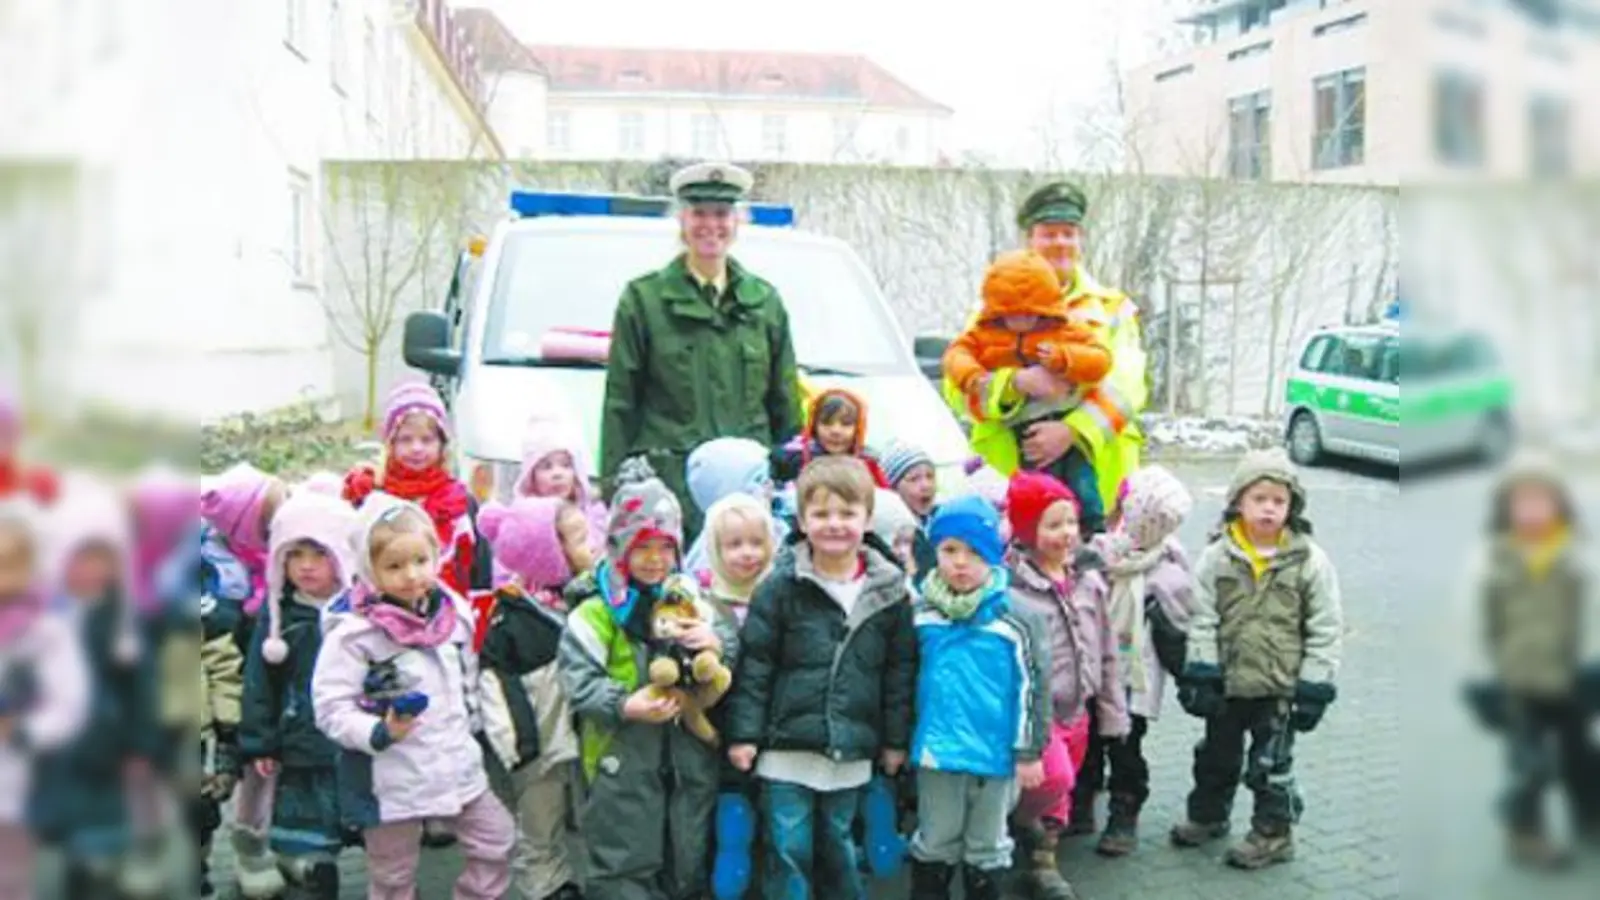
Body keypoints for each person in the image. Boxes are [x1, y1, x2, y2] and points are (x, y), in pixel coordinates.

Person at [724, 456, 918, 900]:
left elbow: (898, 674)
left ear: (867, 519)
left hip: (850, 746)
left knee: (837, 843)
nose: (835, 524)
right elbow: (756, 666)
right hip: (784, 746)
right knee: (787, 845)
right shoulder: (780, 587)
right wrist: (744, 736)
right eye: (822, 513)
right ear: (801, 519)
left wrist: (894, 741)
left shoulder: (889, 594)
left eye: (847, 514)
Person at [312, 494, 515, 900]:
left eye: (421, 561)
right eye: (394, 565)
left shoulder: (452, 611)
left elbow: (467, 674)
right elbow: (331, 706)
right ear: (370, 570)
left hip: (456, 762)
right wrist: (378, 730)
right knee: (392, 874)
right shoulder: (354, 634)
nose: (411, 575)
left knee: (498, 839)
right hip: (390, 777)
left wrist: (477, 726)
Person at [599, 161, 804, 545]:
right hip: (669, 491)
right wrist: (614, 485)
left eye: (723, 214)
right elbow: (620, 402)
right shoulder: (644, 301)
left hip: (748, 490)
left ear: (737, 223)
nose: (712, 225)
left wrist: (792, 479)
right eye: (699, 213)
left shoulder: (764, 303)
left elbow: (785, 403)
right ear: (681, 221)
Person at [559, 459, 737, 900]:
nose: (655, 560)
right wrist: (623, 703)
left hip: (687, 759)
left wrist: (714, 643)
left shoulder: (695, 602)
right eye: (642, 548)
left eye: (665, 547)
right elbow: (577, 680)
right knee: (621, 862)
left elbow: (731, 653)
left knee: (687, 858)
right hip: (619, 761)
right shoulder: (594, 613)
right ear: (619, 548)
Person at [1170, 449, 1342, 870]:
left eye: (1279, 501)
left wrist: (1315, 685)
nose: (1269, 508)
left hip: (1280, 687)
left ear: (1292, 507)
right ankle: (1209, 815)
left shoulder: (1310, 562)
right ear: (1238, 503)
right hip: (1228, 682)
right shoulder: (1217, 557)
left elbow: (1325, 626)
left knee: (1271, 767)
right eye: (1259, 498)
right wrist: (1202, 671)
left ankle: (1273, 833)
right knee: (1215, 756)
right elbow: (1203, 617)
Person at [944, 182, 1147, 524]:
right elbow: (957, 388)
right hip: (1009, 487)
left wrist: (1073, 431)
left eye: (1068, 233)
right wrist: (1013, 384)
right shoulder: (989, 312)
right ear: (1030, 241)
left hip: (1098, 480)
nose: (1060, 243)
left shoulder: (1111, 307)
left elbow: (1127, 387)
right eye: (1048, 234)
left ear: (1080, 240)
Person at [906, 496, 1050, 900]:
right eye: (949, 550)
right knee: (935, 838)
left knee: (987, 844)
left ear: (994, 556)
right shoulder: (921, 615)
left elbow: (1033, 686)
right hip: (937, 751)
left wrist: (1029, 750)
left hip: (995, 753)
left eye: (973, 552)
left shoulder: (1015, 619)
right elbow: (904, 681)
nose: (960, 562)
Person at [1467, 453, 1600, 868]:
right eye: (1521, 502)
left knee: (1581, 755)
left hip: (1570, 679)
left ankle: (1590, 817)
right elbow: (1475, 623)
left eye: (1542, 501)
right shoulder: (1492, 560)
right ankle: (1524, 832)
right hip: (1517, 681)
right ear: (1506, 508)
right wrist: (1483, 679)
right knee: (1531, 766)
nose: (1532, 511)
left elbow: (1593, 613)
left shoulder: (1579, 555)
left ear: (1560, 504)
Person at [1003, 472, 1123, 900]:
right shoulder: (1014, 589)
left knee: (1063, 787)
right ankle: (1017, 822)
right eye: (1053, 525)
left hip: (1080, 707)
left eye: (1071, 522)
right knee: (1054, 778)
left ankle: (1043, 860)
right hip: (1039, 710)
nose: (1067, 534)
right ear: (1026, 531)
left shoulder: (1089, 582)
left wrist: (1112, 709)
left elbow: (1107, 648)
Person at [239, 490, 358, 898]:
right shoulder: (279, 619)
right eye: (295, 554)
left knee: (374, 834)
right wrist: (260, 742)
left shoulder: (359, 614)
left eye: (319, 553)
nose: (306, 566)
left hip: (354, 744)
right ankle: (314, 874)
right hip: (301, 744)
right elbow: (259, 684)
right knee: (309, 834)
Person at [943, 250, 1112, 535]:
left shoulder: (1065, 328)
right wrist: (976, 377)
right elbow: (955, 358)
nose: (1020, 322)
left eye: (1030, 315)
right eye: (1011, 316)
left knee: (1083, 487)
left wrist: (1064, 359)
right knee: (1036, 500)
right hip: (1015, 437)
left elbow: (1100, 360)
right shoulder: (983, 333)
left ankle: (1093, 532)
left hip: (1067, 425)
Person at [1073, 466, 1195, 858]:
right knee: (1087, 738)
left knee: (1125, 746)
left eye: (1122, 504)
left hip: (1132, 678)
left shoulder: (1168, 572)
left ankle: (1124, 812)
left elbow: (1181, 627)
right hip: (1091, 670)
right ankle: (1082, 799)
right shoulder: (1098, 555)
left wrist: (1192, 677)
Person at [476, 496, 588, 900]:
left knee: (583, 810)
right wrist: (516, 744)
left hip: (580, 734)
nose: (590, 546)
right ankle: (546, 884)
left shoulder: (587, 600)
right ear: (549, 554)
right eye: (578, 540)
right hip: (539, 741)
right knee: (541, 817)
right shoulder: (514, 619)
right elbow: (495, 686)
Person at [0, 499, 89, 900]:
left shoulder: (46, 630)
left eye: (11, 562)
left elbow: (69, 703)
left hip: (17, 780)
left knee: (12, 874)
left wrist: (22, 730)